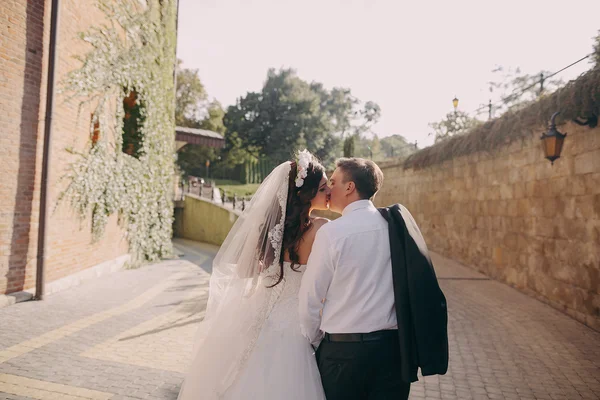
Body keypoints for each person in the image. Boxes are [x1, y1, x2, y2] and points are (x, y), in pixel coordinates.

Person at [178, 149, 330, 400]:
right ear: (307, 193)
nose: (329, 192)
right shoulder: (322, 228)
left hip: (258, 312)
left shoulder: (274, 226)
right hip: (294, 322)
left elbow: (244, 271)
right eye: (324, 187)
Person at [299, 157, 448, 400]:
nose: (329, 189)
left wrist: (317, 342)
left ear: (350, 187)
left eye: (334, 182)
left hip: (342, 354)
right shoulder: (395, 228)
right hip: (394, 353)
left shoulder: (331, 233)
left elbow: (311, 299)